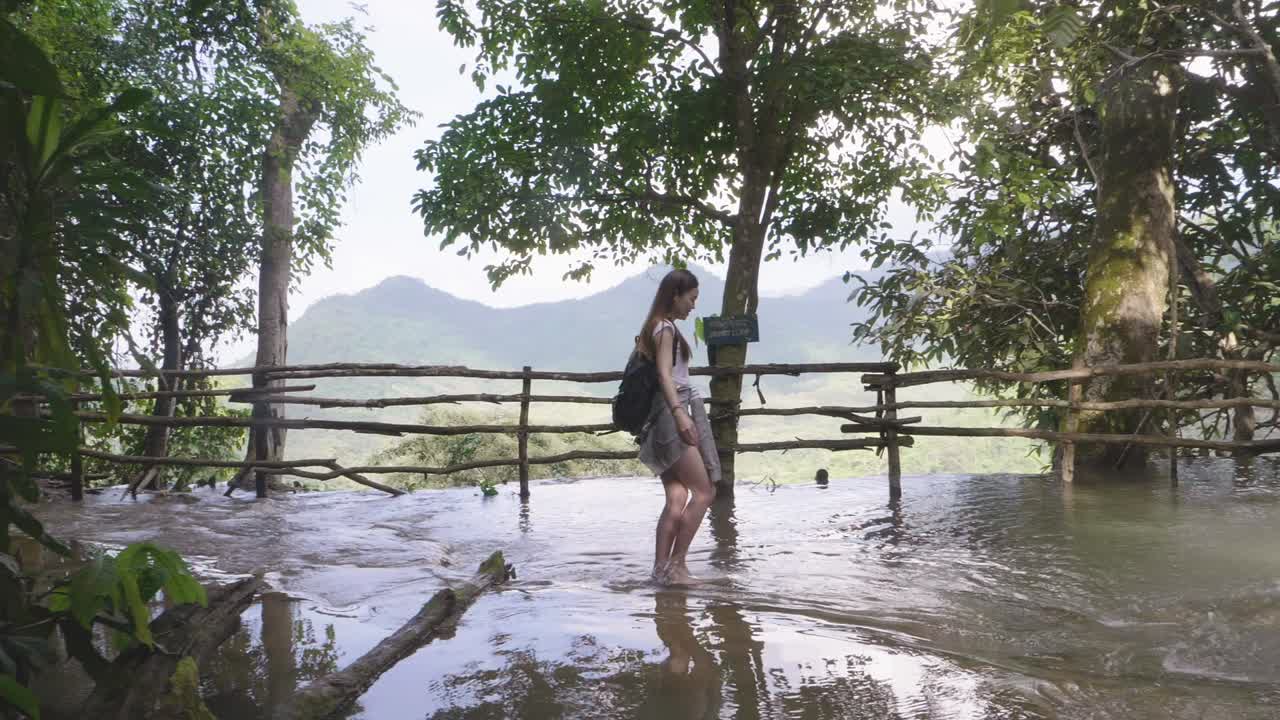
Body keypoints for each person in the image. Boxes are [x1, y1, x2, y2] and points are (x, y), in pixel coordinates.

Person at [636, 269, 721, 584]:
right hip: (671, 418)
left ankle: (660, 572)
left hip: (658, 421)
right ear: (676, 295)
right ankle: (677, 566)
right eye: (691, 298)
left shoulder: (654, 326)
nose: (693, 306)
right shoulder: (665, 328)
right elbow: (664, 376)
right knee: (705, 491)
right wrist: (680, 414)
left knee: (676, 496)